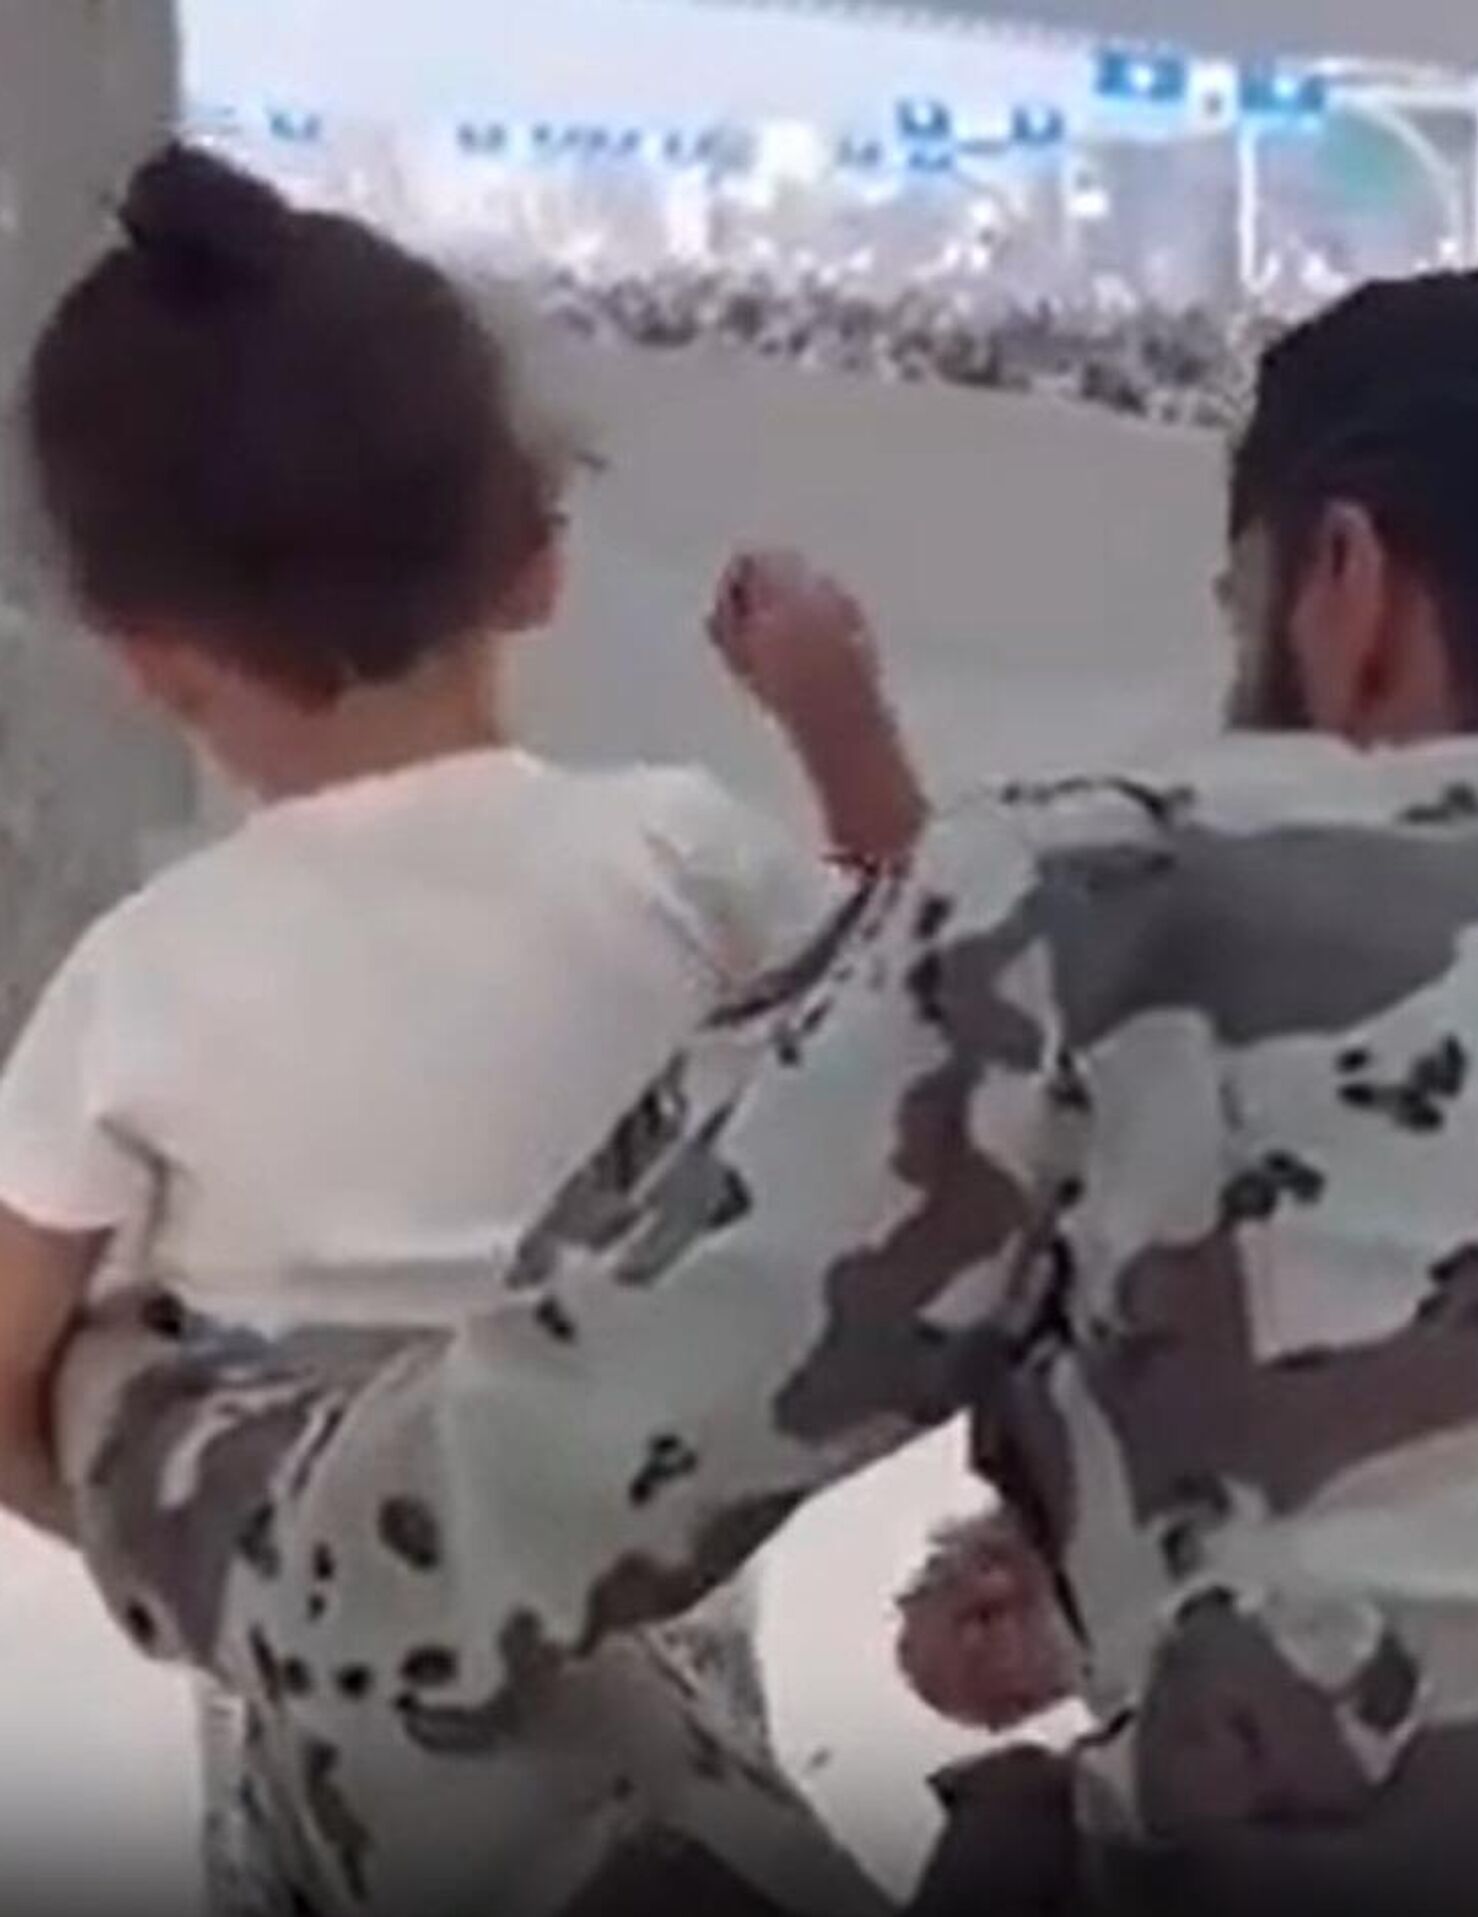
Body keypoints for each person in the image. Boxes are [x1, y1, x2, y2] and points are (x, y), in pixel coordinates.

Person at [61, 260, 1478, 1916]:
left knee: (393, 1696)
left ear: (1348, 588)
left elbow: (447, 1541)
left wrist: (110, 1415)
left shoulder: (1114, 890)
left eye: (1239, 606)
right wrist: (1098, 1580)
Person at [0, 146, 918, 1915]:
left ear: (148, 655)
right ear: (534, 561)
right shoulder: (682, 861)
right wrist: (841, 721)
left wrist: (186, 1561)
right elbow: (934, 1003)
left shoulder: (139, 982)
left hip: (323, 1751)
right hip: (664, 1688)